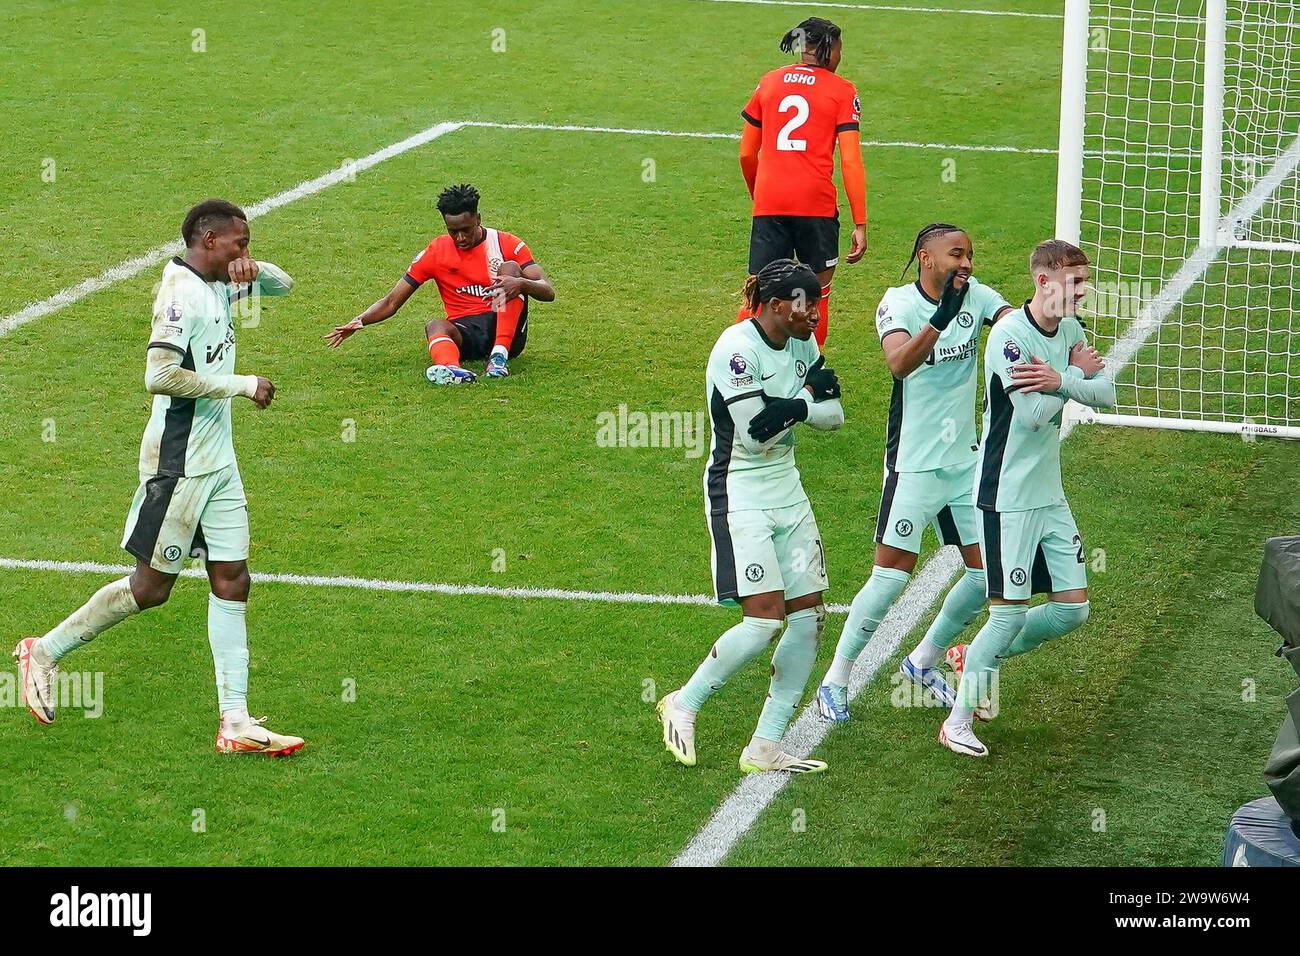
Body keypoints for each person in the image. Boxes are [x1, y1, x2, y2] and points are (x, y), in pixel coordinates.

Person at [12, 199, 303, 756]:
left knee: (233, 579)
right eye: (240, 243)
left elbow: (285, 286)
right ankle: (44, 650)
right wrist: (240, 385)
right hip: (179, 465)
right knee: (151, 589)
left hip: (220, 462)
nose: (246, 249)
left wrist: (255, 269)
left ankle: (236, 723)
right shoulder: (181, 295)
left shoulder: (219, 278)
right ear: (210, 238)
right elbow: (160, 375)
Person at [816, 223, 1014, 722]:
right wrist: (942, 319)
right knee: (889, 577)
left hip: (963, 463)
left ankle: (923, 660)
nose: (966, 264)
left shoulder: (977, 296)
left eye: (969, 255)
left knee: (987, 570)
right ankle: (835, 679)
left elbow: (1015, 324)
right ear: (926, 258)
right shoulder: (898, 303)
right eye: (956, 255)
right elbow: (899, 364)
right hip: (914, 465)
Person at [658, 260, 845, 774]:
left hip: (789, 490)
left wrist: (797, 405)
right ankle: (684, 702)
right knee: (764, 620)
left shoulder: (803, 343)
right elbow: (757, 431)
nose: (815, 312)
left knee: (809, 616)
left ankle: (765, 745)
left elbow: (835, 416)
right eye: (807, 302)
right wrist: (806, 399)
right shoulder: (735, 350)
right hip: (738, 490)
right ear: (777, 305)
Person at [940, 239, 1116, 757]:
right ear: (1044, 281)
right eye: (1076, 282)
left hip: (1048, 494)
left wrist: (1063, 378)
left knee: (1073, 611)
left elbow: (1108, 395)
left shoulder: (1072, 331)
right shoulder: (1011, 339)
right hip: (1006, 496)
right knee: (1008, 614)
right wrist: (1077, 378)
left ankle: (975, 659)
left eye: (1085, 281)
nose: (1084, 291)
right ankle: (958, 721)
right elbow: (1035, 415)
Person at [325, 183, 554, 383]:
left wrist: (521, 284)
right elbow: (392, 301)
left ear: (478, 219)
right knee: (435, 326)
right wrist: (360, 320)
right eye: (453, 232)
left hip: (507, 329)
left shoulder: (507, 243)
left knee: (510, 269)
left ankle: (498, 358)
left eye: (466, 230)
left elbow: (547, 290)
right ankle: (452, 370)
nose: (460, 238)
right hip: (467, 332)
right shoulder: (436, 252)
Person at [737, 16, 868, 347]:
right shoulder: (842, 90)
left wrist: (761, 196)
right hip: (816, 207)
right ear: (828, 49)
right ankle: (806, 370)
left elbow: (746, 154)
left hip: (770, 203)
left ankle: (736, 367)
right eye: (839, 48)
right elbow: (850, 160)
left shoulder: (769, 82)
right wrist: (860, 223)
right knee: (816, 298)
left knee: (759, 296)